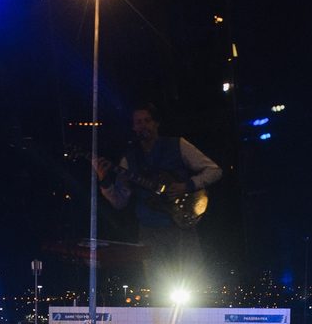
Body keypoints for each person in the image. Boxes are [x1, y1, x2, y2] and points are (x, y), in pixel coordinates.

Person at [93, 103, 221, 283]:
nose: (143, 126)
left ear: (156, 123)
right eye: (138, 122)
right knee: (156, 283)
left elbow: (213, 170)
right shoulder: (129, 158)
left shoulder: (178, 145)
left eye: (147, 121)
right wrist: (104, 180)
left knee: (192, 279)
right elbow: (119, 201)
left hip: (181, 226)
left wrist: (187, 185)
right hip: (149, 231)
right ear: (133, 127)